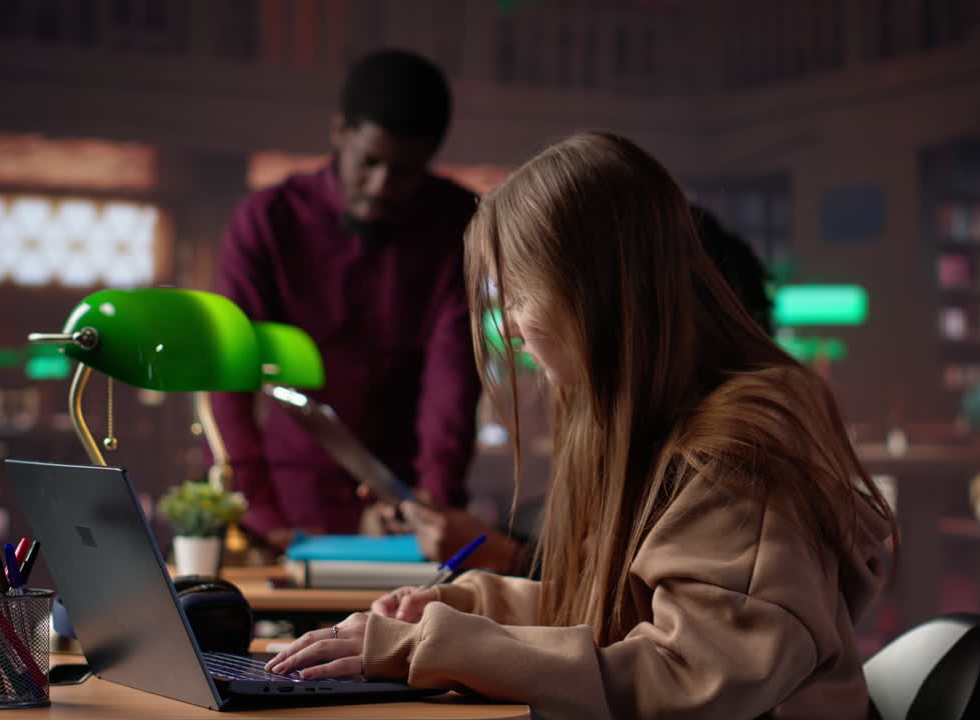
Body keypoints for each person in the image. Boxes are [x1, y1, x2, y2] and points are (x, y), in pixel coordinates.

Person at [265, 132, 898, 719]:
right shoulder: (644, 424)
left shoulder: (736, 448)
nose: (508, 327)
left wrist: (434, 647)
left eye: (517, 296)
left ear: (591, 290)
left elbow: (691, 679)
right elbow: (613, 616)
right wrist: (461, 607)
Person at [401, 204, 777, 576]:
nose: (508, 331)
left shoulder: (722, 453)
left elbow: (630, 605)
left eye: (522, 297)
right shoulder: (636, 427)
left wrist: (507, 558)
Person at [211, 50, 483, 549]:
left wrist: (434, 506)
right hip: (290, 493)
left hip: (409, 495)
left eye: (404, 172)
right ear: (340, 131)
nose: (381, 186)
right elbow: (231, 376)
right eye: (370, 162)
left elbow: (453, 382)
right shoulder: (267, 222)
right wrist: (262, 511)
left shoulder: (457, 225)